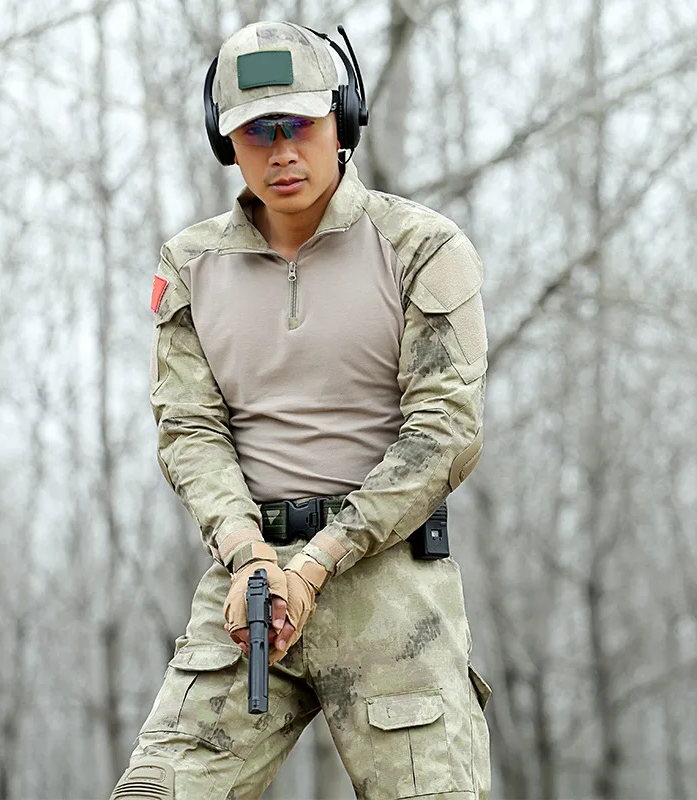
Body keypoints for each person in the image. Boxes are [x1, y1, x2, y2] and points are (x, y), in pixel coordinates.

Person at [111, 20, 491, 800]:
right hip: (247, 585)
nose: (281, 151)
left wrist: (318, 562)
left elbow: (443, 432)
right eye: (256, 132)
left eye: (299, 125)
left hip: (390, 586)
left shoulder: (420, 246)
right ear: (228, 146)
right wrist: (249, 553)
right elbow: (189, 429)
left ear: (342, 122)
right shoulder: (191, 265)